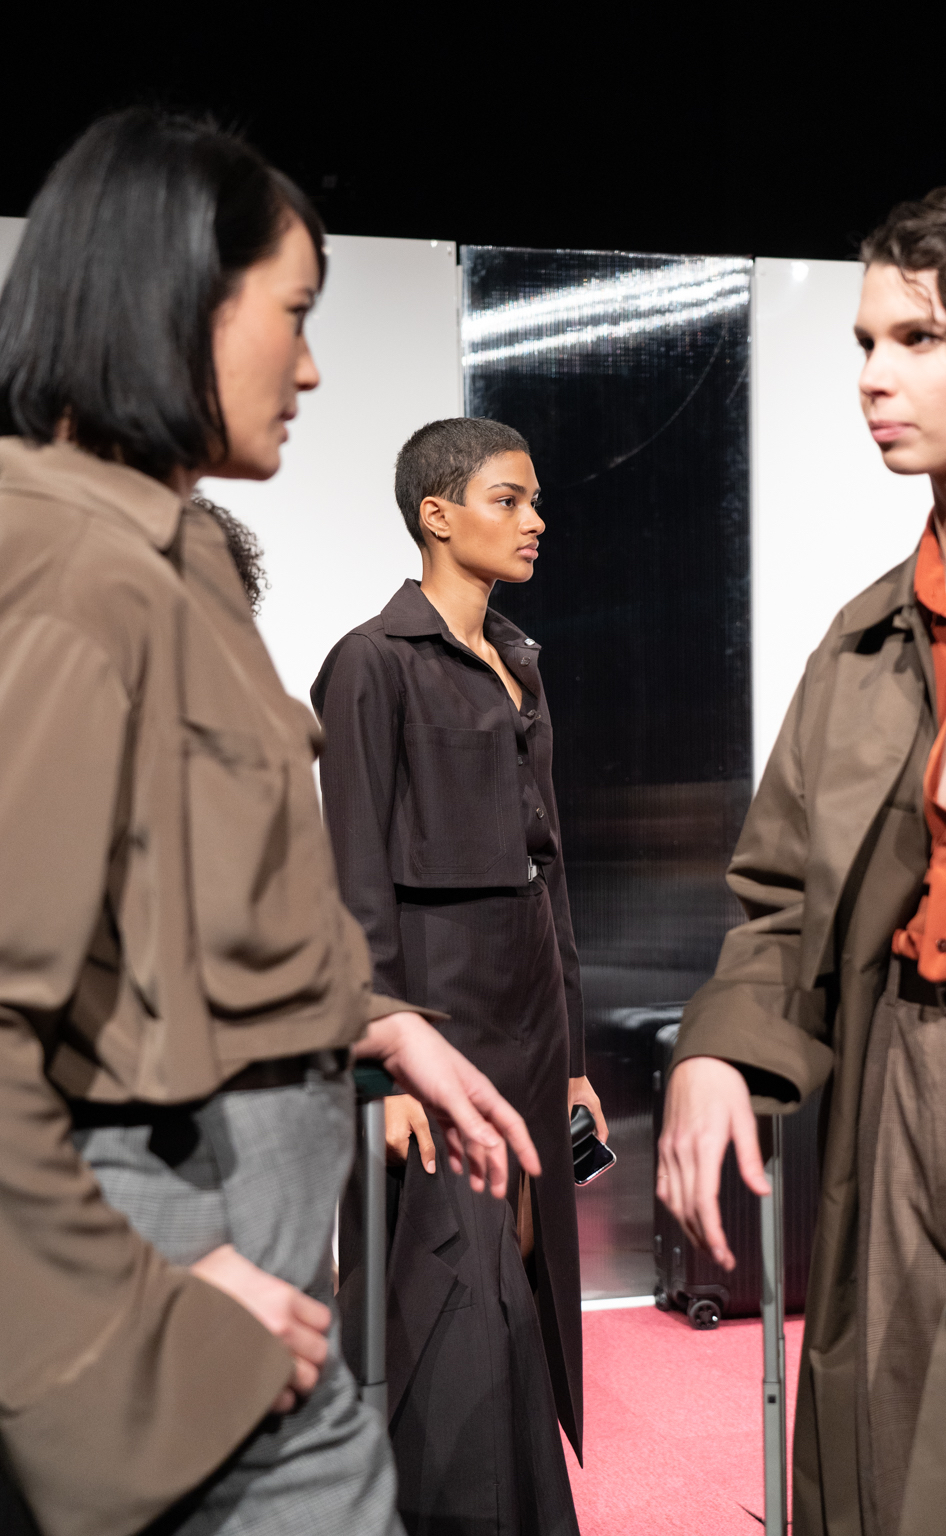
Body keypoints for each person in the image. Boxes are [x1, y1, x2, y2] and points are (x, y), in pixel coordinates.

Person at [0, 110, 540, 1536]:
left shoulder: (170, 560)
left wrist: (376, 1024)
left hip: (249, 1271)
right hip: (168, 1271)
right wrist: (147, 1298)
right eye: (291, 316)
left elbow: (165, 915)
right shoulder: (70, 575)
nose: (309, 368)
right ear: (174, 299)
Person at [657, 183, 946, 1536]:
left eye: (917, 339)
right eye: (865, 342)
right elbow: (778, 899)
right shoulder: (862, 643)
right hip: (901, 1081)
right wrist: (714, 1052)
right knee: (891, 1449)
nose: (873, 377)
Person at [312, 417, 606, 1535]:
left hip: (529, 1024)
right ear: (436, 515)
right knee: (444, 1295)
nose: (535, 522)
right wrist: (383, 1065)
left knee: (522, 1281)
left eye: (534, 501)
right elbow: (350, 879)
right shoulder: (371, 663)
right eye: (507, 500)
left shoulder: (520, 664)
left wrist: (573, 1062)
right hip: (433, 1032)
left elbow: (552, 872)